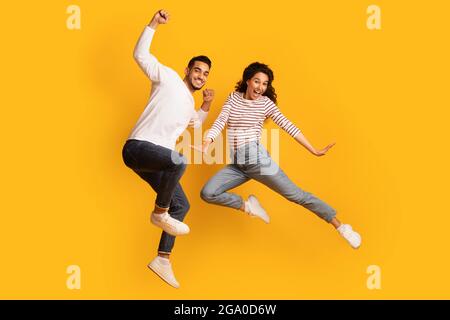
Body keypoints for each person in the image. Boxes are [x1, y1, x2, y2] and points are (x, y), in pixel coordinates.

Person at [198, 62, 361, 249]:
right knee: (208, 193)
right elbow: (220, 121)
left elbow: (288, 125)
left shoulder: (265, 104)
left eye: (265, 84)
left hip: (256, 159)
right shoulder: (233, 98)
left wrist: (313, 150)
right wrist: (207, 141)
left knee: (296, 195)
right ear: (247, 81)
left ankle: (341, 227)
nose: (260, 87)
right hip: (238, 163)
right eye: (257, 82)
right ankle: (249, 206)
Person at [122, 9, 215, 288]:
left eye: (206, 74)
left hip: (155, 160)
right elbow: (140, 55)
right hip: (138, 147)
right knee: (178, 162)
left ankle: (162, 259)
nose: (200, 76)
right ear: (187, 70)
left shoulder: (189, 104)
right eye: (197, 70)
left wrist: (207, 105)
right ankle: (159, 213)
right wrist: (153, 24)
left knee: (182, 204)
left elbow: (195, 123)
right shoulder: (168, 77)